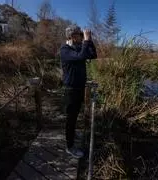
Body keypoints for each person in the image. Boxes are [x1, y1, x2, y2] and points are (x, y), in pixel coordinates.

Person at [60, 25, 97, 158]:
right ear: (71, 36)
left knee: (75, 115)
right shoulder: (65, 50)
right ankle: (70, 147)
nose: (81, 37)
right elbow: (81, 56)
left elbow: (93, 55)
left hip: (80, 87)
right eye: (79, 35)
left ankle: (74, 134)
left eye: (82, 35)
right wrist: (86, 41)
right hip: (71, 89)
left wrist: (90, 40)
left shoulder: (78, 47)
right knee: (71, 118)